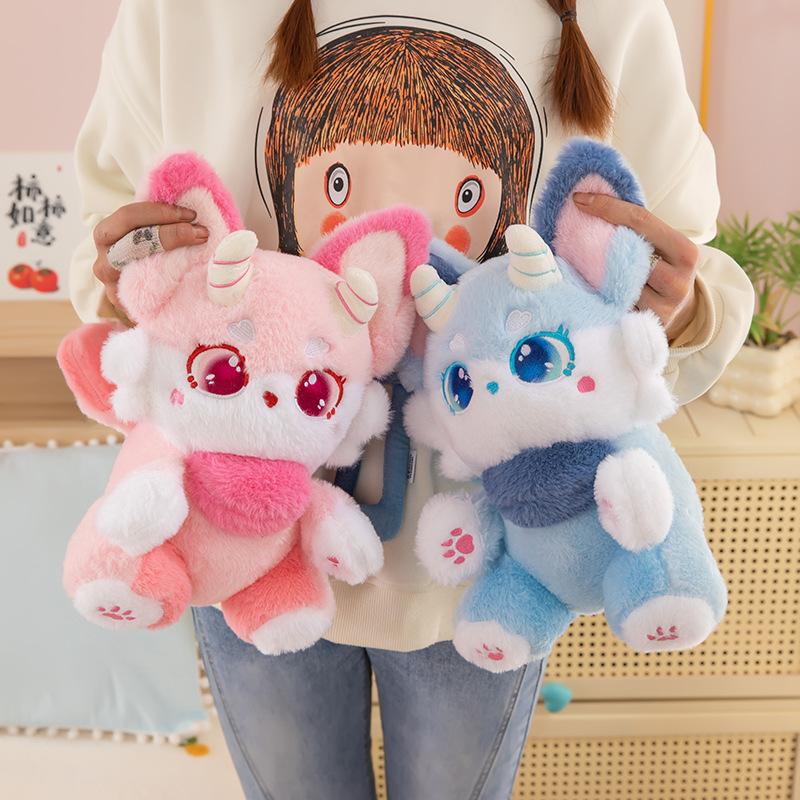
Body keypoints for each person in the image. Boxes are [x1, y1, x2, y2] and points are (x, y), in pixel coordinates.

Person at [70, 1, 754, 797]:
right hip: (241, 540)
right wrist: (134, 275)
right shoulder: (179, 14)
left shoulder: (613, 15)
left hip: (487, 556)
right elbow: (105, 240)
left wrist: (674, 305)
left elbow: (693, 270)